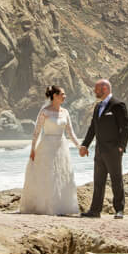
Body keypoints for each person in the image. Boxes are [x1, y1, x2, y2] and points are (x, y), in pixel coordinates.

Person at [19, 85, 81, 216]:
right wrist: (33, 149)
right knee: (48, 176)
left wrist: (79, 146)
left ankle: (61, 207)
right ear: (54, 96)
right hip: (46, 146)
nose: (64, 96)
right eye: (62, 94)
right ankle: (47, 207)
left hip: (61, 146)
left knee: (61, 175)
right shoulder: (45, 111)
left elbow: (70, 132)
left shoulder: (65, 112)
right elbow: (36, 131)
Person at [79, 79, 128, 219]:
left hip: (113, 150)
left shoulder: (117, 105)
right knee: (98, 181)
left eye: (96, 89)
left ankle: (119, 210)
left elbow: (126, 127)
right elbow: (93, 128)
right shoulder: (98, 107)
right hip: (99, 150)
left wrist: (121, 146)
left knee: (116, 180)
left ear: (105, 88)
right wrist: (85, 145)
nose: (94, 91)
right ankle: (95, 211)